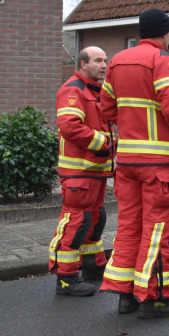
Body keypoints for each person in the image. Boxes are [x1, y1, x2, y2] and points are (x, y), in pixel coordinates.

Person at [99, 8, 169, 318]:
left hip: (126, 161)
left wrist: (133, 127)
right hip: (157, 165)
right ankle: (155, 300)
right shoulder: (161, 59)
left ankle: (125, 296)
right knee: (156, 232)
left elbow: (106, 107)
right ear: (165, 33)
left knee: (128, 227)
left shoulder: (116, 60)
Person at [49, 46, 114, 297]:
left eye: (105, 60)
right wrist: (104, 143)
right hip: (78, 172)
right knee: (76, 221)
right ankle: (65, 278)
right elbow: (69, 126)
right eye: (98, 60)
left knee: (95, 219)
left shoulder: (96, 91)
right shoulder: (73, 89)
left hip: (95, 170)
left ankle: (93, 268)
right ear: (83, 64)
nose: (104, 65)